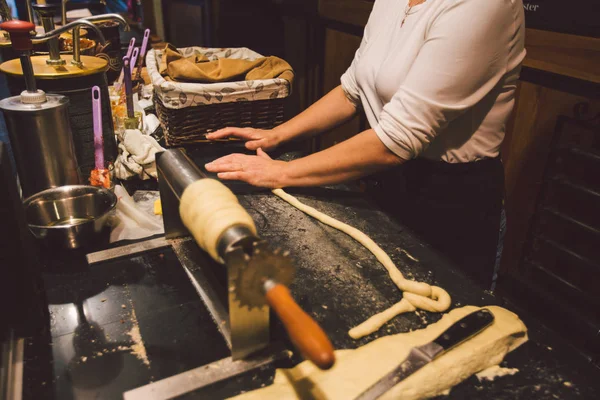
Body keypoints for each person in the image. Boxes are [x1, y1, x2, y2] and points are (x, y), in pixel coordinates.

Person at [204, 0, 526, 287]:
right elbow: (352, 89)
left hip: (449, 205)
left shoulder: (482, 6)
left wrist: (280, 172)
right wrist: (277, 135)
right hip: (387, 184)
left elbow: (395, 140)